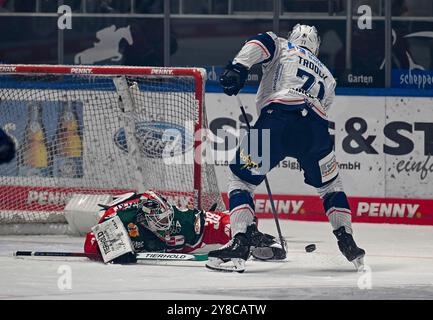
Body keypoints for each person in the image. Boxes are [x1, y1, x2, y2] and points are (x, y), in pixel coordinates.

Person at [206, 24, 365, 273]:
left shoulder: (282, 45)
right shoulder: (328, 76)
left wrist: (238, 68)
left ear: (293, 37)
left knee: (241, 180)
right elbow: (324, 106)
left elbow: (260, 42)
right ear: (316, 46)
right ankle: (348, 241)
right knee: (331, 187)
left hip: (277, 120)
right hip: (316, 129)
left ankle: (239, 245)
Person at [84, 190, 285, 264]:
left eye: (167, 219)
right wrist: (114, 250)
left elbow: (218, 221)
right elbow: (90, 242)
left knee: (233, 227)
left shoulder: (181, 220)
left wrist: (244, 232)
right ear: (145, 219)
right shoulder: (122, 219)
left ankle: (256, 238)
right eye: (161, 222)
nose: (167, 226)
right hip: (123, 210)